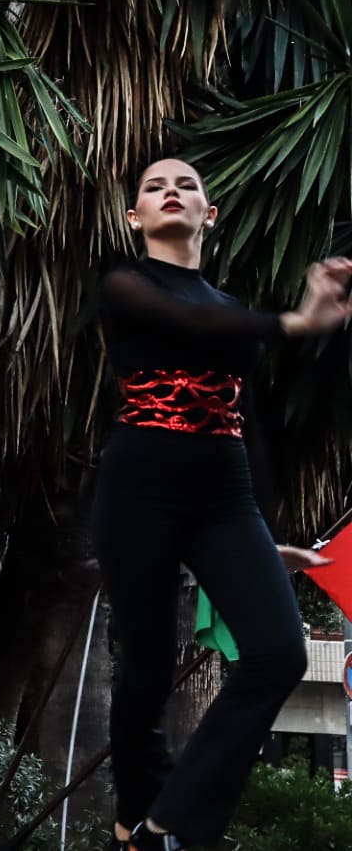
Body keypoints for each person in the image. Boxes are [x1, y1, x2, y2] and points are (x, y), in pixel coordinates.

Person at [93, 158, 352, 851]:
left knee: (278, 653)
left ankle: (169, 825)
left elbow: (251, 426)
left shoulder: (234, 309)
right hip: (139, 483)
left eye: (186, 185)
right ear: (135, 218)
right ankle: (133, 816)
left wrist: (265, 535)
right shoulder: (127, 284)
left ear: (210, 214)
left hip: (224, 493)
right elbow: (183, 324)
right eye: (153, 186)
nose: (170, 190)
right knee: (145, 667)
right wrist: (298, 321)